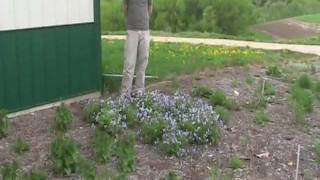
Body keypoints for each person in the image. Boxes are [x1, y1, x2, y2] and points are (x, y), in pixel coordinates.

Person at [121, 0, 153, 96]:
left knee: (143, 61)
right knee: (129, 63)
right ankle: (125, 93)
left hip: (145, 30)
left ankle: (139, 91)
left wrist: (146, 19)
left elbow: (150, 5)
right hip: (132, 31)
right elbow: (125, 6)